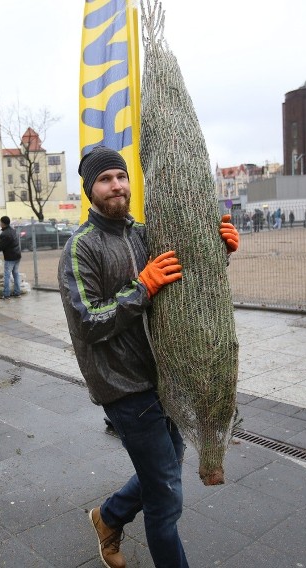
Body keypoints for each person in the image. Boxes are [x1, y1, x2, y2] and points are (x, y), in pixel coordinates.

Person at [58, 146, 239, 568]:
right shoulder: (80, 248)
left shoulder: (144, 234)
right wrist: (141, 288)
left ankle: (109, 516)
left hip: (164, 377)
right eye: (105, 179)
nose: (117, 185)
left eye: (121, 176)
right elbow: (87, 321)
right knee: (166, 493)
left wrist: (218, 253)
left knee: (165, 466)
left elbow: (185, 285)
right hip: (122, 385)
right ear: (90, 190)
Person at [0, 215, 22, 299]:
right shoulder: (12, 230)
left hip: (10, 257)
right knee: (16, 274)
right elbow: (2, 235)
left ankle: (6, 294)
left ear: (3, 223)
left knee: (7, 275)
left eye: (0, 222)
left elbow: (0, 247)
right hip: (17, 255)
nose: (0, 224)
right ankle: (17, 292)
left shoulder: (6, 233)